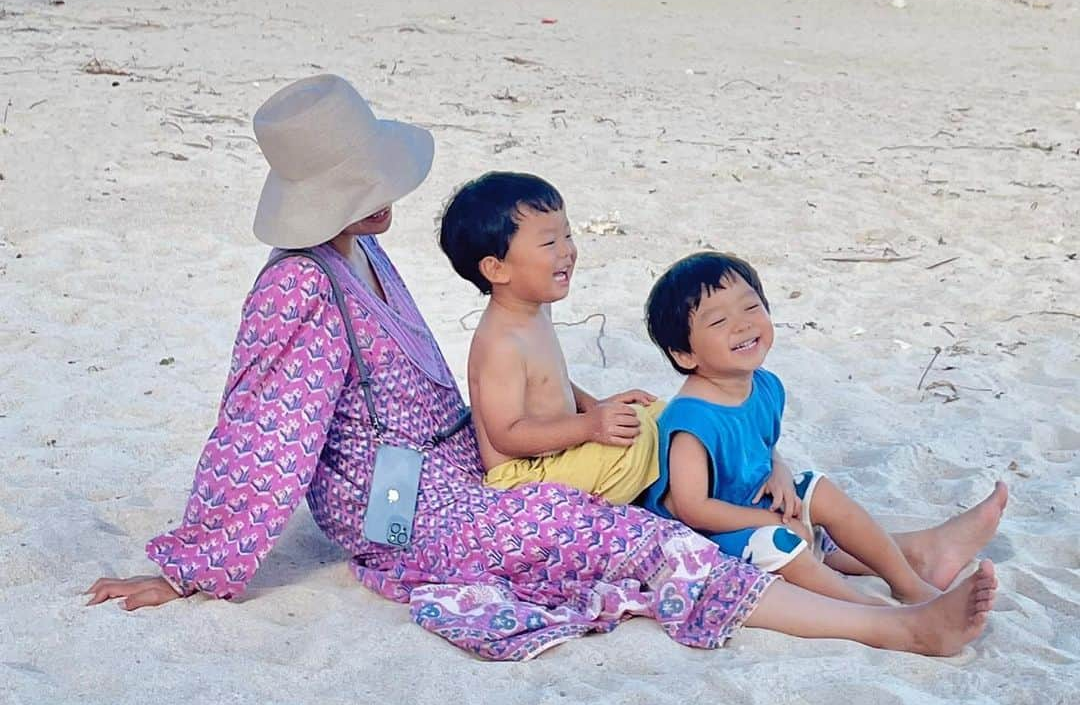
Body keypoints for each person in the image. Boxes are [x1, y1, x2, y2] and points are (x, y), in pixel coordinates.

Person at [86, 76, 1000, 659]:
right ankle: (894, 624)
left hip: (463, 468)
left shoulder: (360, 252)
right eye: (368, 186)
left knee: (700, 461)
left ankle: (902, 555)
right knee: (644, 538)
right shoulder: (297, 288)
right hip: (417, 511)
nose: (387, 201)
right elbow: (264, 432)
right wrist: (194, 565)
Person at [641, 251, 1009, 605]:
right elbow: (693, 509)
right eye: (718, 321)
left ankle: (909, 584)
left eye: (751, 306)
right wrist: (768, 519)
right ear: (685, 355)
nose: (742, 323)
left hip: (750, 507)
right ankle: (873, 610)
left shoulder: (763, 386)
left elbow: (763, 446)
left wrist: (780, 473)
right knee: (780, 544)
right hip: (707, 539)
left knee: (819, 489)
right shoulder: (692, 422)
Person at [439, 172, 663, 504]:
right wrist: (589, 427)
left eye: (568, 235)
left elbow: (549, 377)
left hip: (558, 451)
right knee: (639, 439)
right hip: (523, 478)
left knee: (659, 412)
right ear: (497, 269)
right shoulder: (502, 343)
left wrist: (595, 406)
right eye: (549, 243)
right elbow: (507, 435)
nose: (567, 251)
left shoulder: (537, 308)